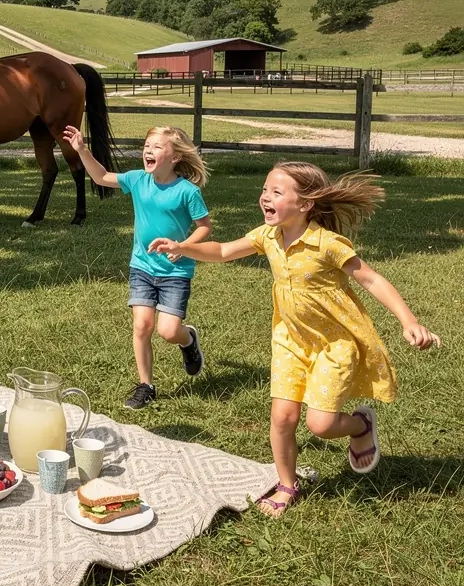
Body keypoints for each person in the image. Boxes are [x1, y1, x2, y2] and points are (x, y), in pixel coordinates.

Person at [149, 161, 440, 517]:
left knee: (321, 425)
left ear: (305, 204)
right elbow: (223, 251)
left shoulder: (327, 244)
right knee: (282, 418)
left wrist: (409, 321)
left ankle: (360, 424)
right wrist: (182, 247)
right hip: (290, 341)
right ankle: (287, 485)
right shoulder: (267, 236)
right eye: (265, 189)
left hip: (334, 345)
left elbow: (371, 279)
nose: (265, 197)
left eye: (276, 192)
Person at [63, 124, 212, 409]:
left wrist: (182, 247)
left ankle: (188, 339)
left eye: (157, 147)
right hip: (142, 267)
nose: (148, 151)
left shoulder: (187, 191)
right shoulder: (138, 180)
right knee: (142, 325)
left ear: (175, 157)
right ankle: (146, 385)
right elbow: (101, 176)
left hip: (175, 272)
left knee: (168, 331)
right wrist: (82, 150)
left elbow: (205, 226)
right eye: (146, 146)